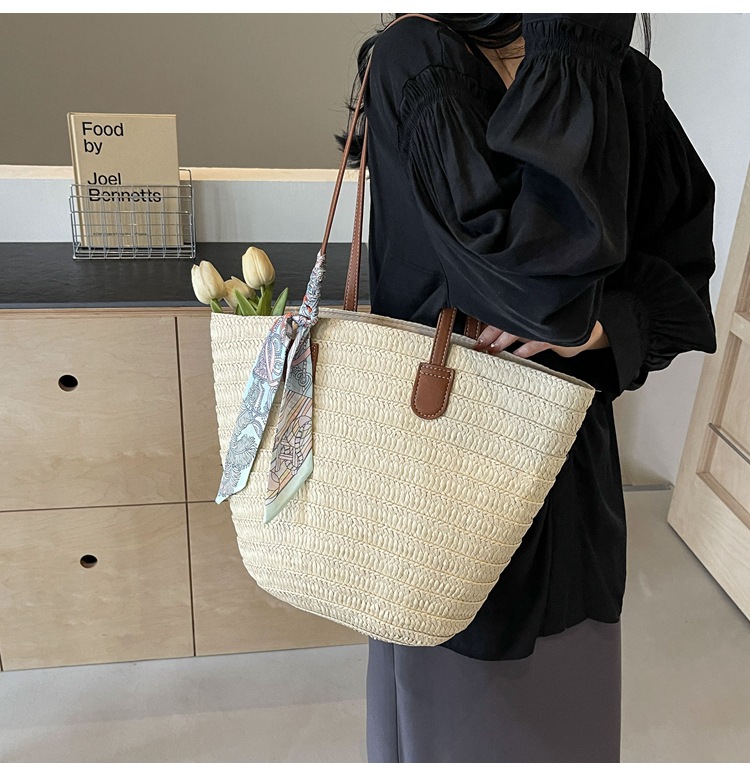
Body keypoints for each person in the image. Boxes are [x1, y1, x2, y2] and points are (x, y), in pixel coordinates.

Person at [335, 13, 718, 763]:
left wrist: (601, 327)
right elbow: (534, 285)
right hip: (446, 475)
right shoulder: (421, 58)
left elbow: (682, 288)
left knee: (568, 728)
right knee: (460, 730)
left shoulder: (615, 74)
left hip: (573, 487)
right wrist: (570, 51)